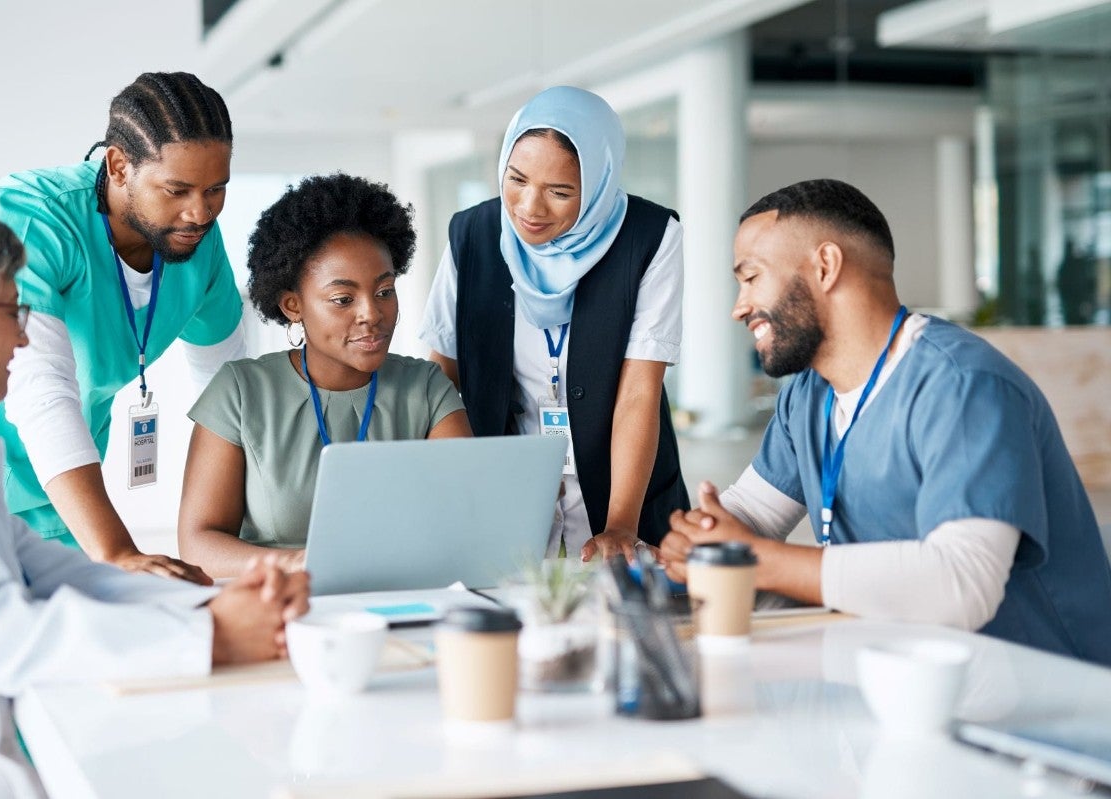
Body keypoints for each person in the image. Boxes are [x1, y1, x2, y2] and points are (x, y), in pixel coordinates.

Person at [0, 202, 309, 798]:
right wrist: (208, 638)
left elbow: (51, 573)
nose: (24, 332)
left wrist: (215, 602)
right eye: (10, 310)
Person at [660, 178, 1111, 666]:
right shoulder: (808, 395)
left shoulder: (964, 386)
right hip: (910, 676)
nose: (739, 306)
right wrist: (700, 538)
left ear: (826, 266)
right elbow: (752, 513)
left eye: (751, 277)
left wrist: (749, 558)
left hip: (1040, 695)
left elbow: (962, 583)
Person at [0, 72, 245, 585]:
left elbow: (228, 395)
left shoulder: (197, 241)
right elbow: (38, 388)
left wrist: (237, 533)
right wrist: (115, 550)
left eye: (217, 189)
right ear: (118, 166)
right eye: (177, 189)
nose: (200, 212)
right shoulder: (33, 219)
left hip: (62, 508)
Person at [419, 86, 688, 562]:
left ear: (599, 183)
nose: (529, 208)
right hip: (506, 478)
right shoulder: (474, 234)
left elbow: (638, 393)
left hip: (623, 482)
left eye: (560, 192)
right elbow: (442, 375)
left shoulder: (649, 238)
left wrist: (621, 524)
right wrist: (455, 485)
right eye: (517, 179)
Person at [179, 173, 472, 576]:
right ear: (292, 306)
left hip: (403, 599)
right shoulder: (240, 391)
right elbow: (198, 545)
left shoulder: (426, 389)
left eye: (384, 291)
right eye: (343, 299)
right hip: (280, 606)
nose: (372, 313)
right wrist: (303, 565)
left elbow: (469, 521)